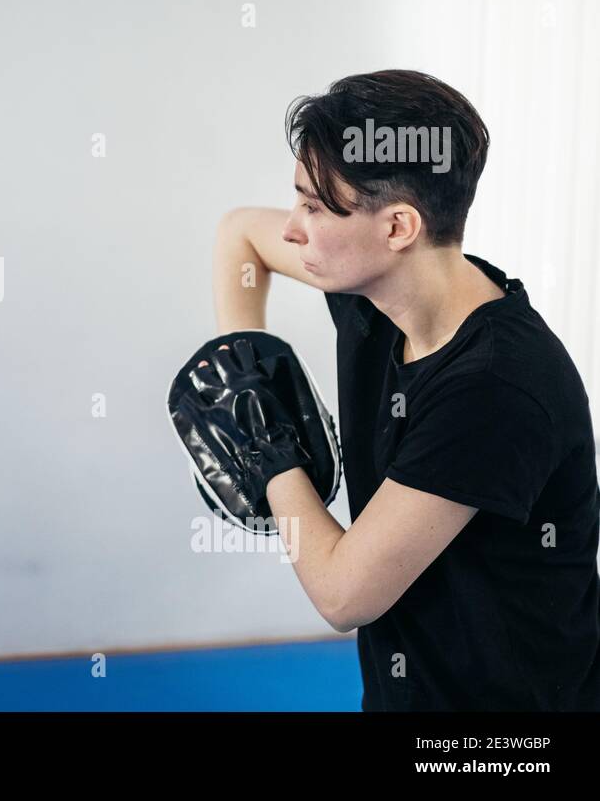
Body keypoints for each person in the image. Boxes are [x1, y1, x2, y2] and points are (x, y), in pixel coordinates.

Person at [211, 69, 600, 710]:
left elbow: (343, 595)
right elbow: (239, 235)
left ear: (398, 229)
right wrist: (245, 362)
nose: (291, 228)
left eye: (313, 206)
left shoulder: (494, 388)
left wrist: (266, 439)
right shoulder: (380, 300)